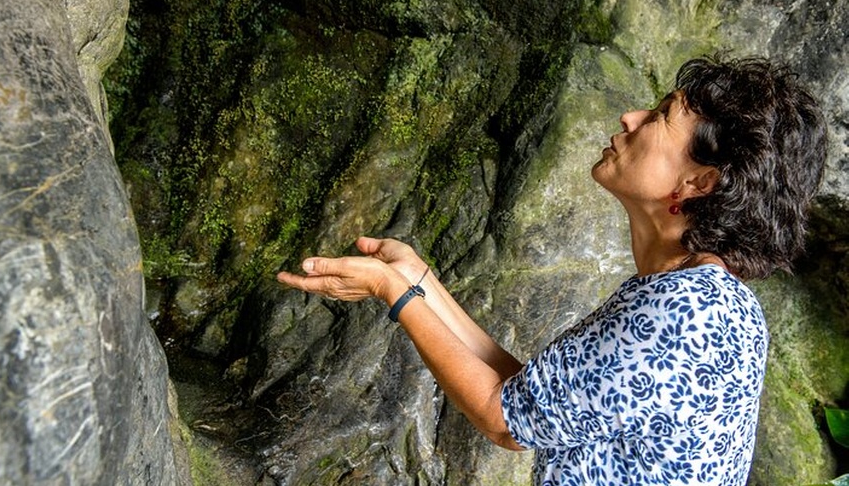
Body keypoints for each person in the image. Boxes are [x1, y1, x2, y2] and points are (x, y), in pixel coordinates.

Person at [276, 54, 828, 485]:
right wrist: (421, 284)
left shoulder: (682, 314)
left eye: (660, 117)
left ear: (699, 183)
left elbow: (503, 419)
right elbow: (531, 397)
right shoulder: (708, 301)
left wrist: (393, 292)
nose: (630, 117)